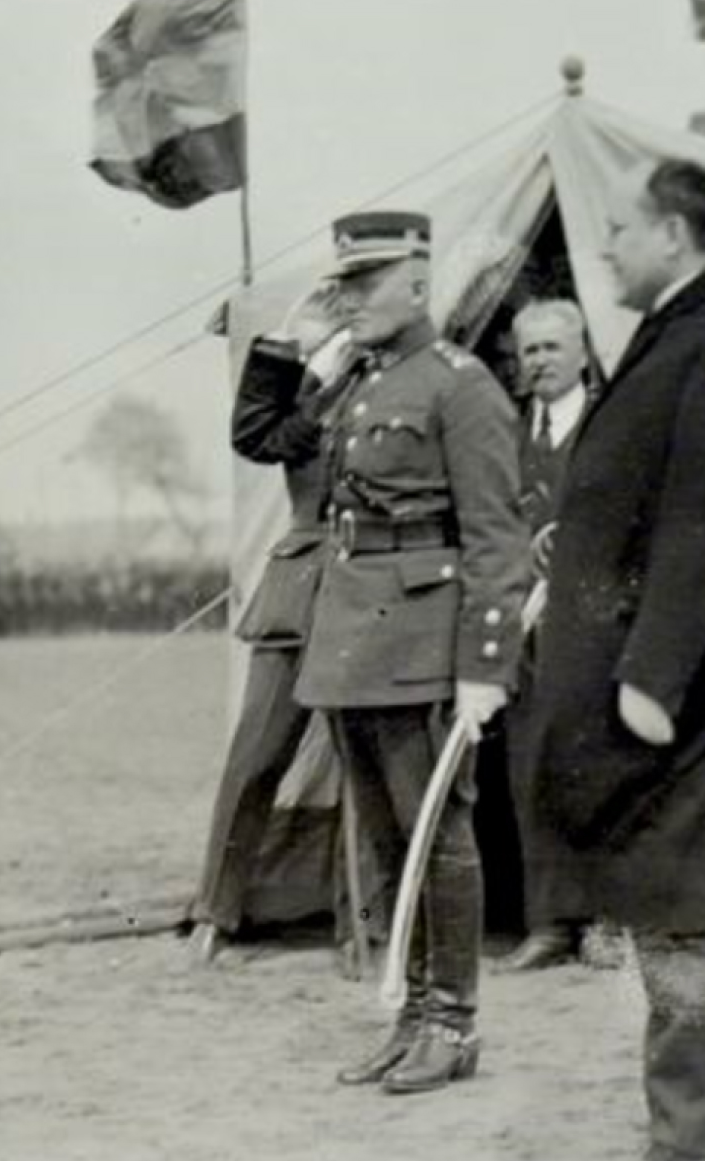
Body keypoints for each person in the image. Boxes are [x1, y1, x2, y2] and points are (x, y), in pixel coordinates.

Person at [513, 160, 705, 1161]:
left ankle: (692, 1143)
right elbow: (666, 499)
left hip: (691, 700)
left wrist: (652, 677)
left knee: (687, 919)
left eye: (622, 232)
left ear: (674, 233)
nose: (608, 250)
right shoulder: (694, 331)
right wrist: (586, 545)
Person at [298, 210, 532, 1096]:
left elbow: (496, 539)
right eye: (345, 282)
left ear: (421, 283)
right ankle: (413, 1014)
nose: (349, 296)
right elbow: (273, 439)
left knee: (439, 835)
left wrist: (484, 664)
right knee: (392, 838)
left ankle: (453, 1020)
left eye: (367, 282)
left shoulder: (459, 386)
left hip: (425, 639)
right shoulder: (360, 382)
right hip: (355, 636)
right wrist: (306, 345)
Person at [189, 281, 365, 965]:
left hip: (368, 593)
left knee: (364, 766)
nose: (353, 310)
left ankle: (362, 923)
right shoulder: (316, 376)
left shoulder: (403, 374)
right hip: (298, 589)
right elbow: (257, 435)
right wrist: (289, 341)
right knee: (257, 754)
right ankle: (217, 909)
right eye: (344, 298)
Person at [483, 297, 602, 972]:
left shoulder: (614, 420)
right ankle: (550, 922)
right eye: (530, 351)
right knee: (530, 769)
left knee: (603, 769)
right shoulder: (505, 430)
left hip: (599, 625)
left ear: (583, 351)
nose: (541, 362)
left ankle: (609, 922)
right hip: (527, 631)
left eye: (553, 347)